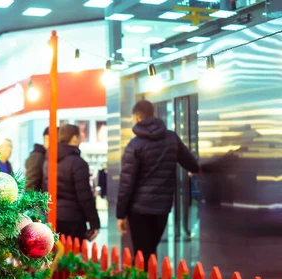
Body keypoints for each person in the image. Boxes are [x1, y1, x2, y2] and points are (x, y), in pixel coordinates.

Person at [117, 100, 200, 263]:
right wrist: (195, 170)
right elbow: (190, 163)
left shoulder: (134, 145)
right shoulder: (171, 138)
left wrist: (121, 214)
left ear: (136, 117)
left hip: (138, 208)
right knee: (150, 250)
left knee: (142, 254)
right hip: (162, 207)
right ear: (153, 114)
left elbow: (126, 183)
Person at [43, 124, 100, 241]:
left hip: (52, 216)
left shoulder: (48, 160)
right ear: (74, 138)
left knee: (56, 255)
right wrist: (94, 223)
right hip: (73, 219)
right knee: (71, 256)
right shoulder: (78, 163)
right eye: (80, 136)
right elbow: (84, 196)